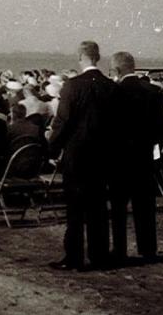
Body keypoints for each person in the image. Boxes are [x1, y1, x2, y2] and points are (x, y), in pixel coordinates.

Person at [47, 41, 116, 271]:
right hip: (104, 152)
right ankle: (99, 255)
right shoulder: (110, 86)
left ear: (80, 57)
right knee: (98, 206)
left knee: (75, 208)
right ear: (98, 57)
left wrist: (52, 150)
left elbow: (63, 121)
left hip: (77, 154)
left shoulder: (72, 86)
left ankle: (74, 257)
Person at [108, 52, 163, 263]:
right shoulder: (153, 92)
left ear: (116, 70)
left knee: (118, 208)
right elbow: (160, 128)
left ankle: (120, 250)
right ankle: (148, 249)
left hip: (120, 157)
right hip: (144, 155)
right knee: (145, 206)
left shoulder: (114, 92)